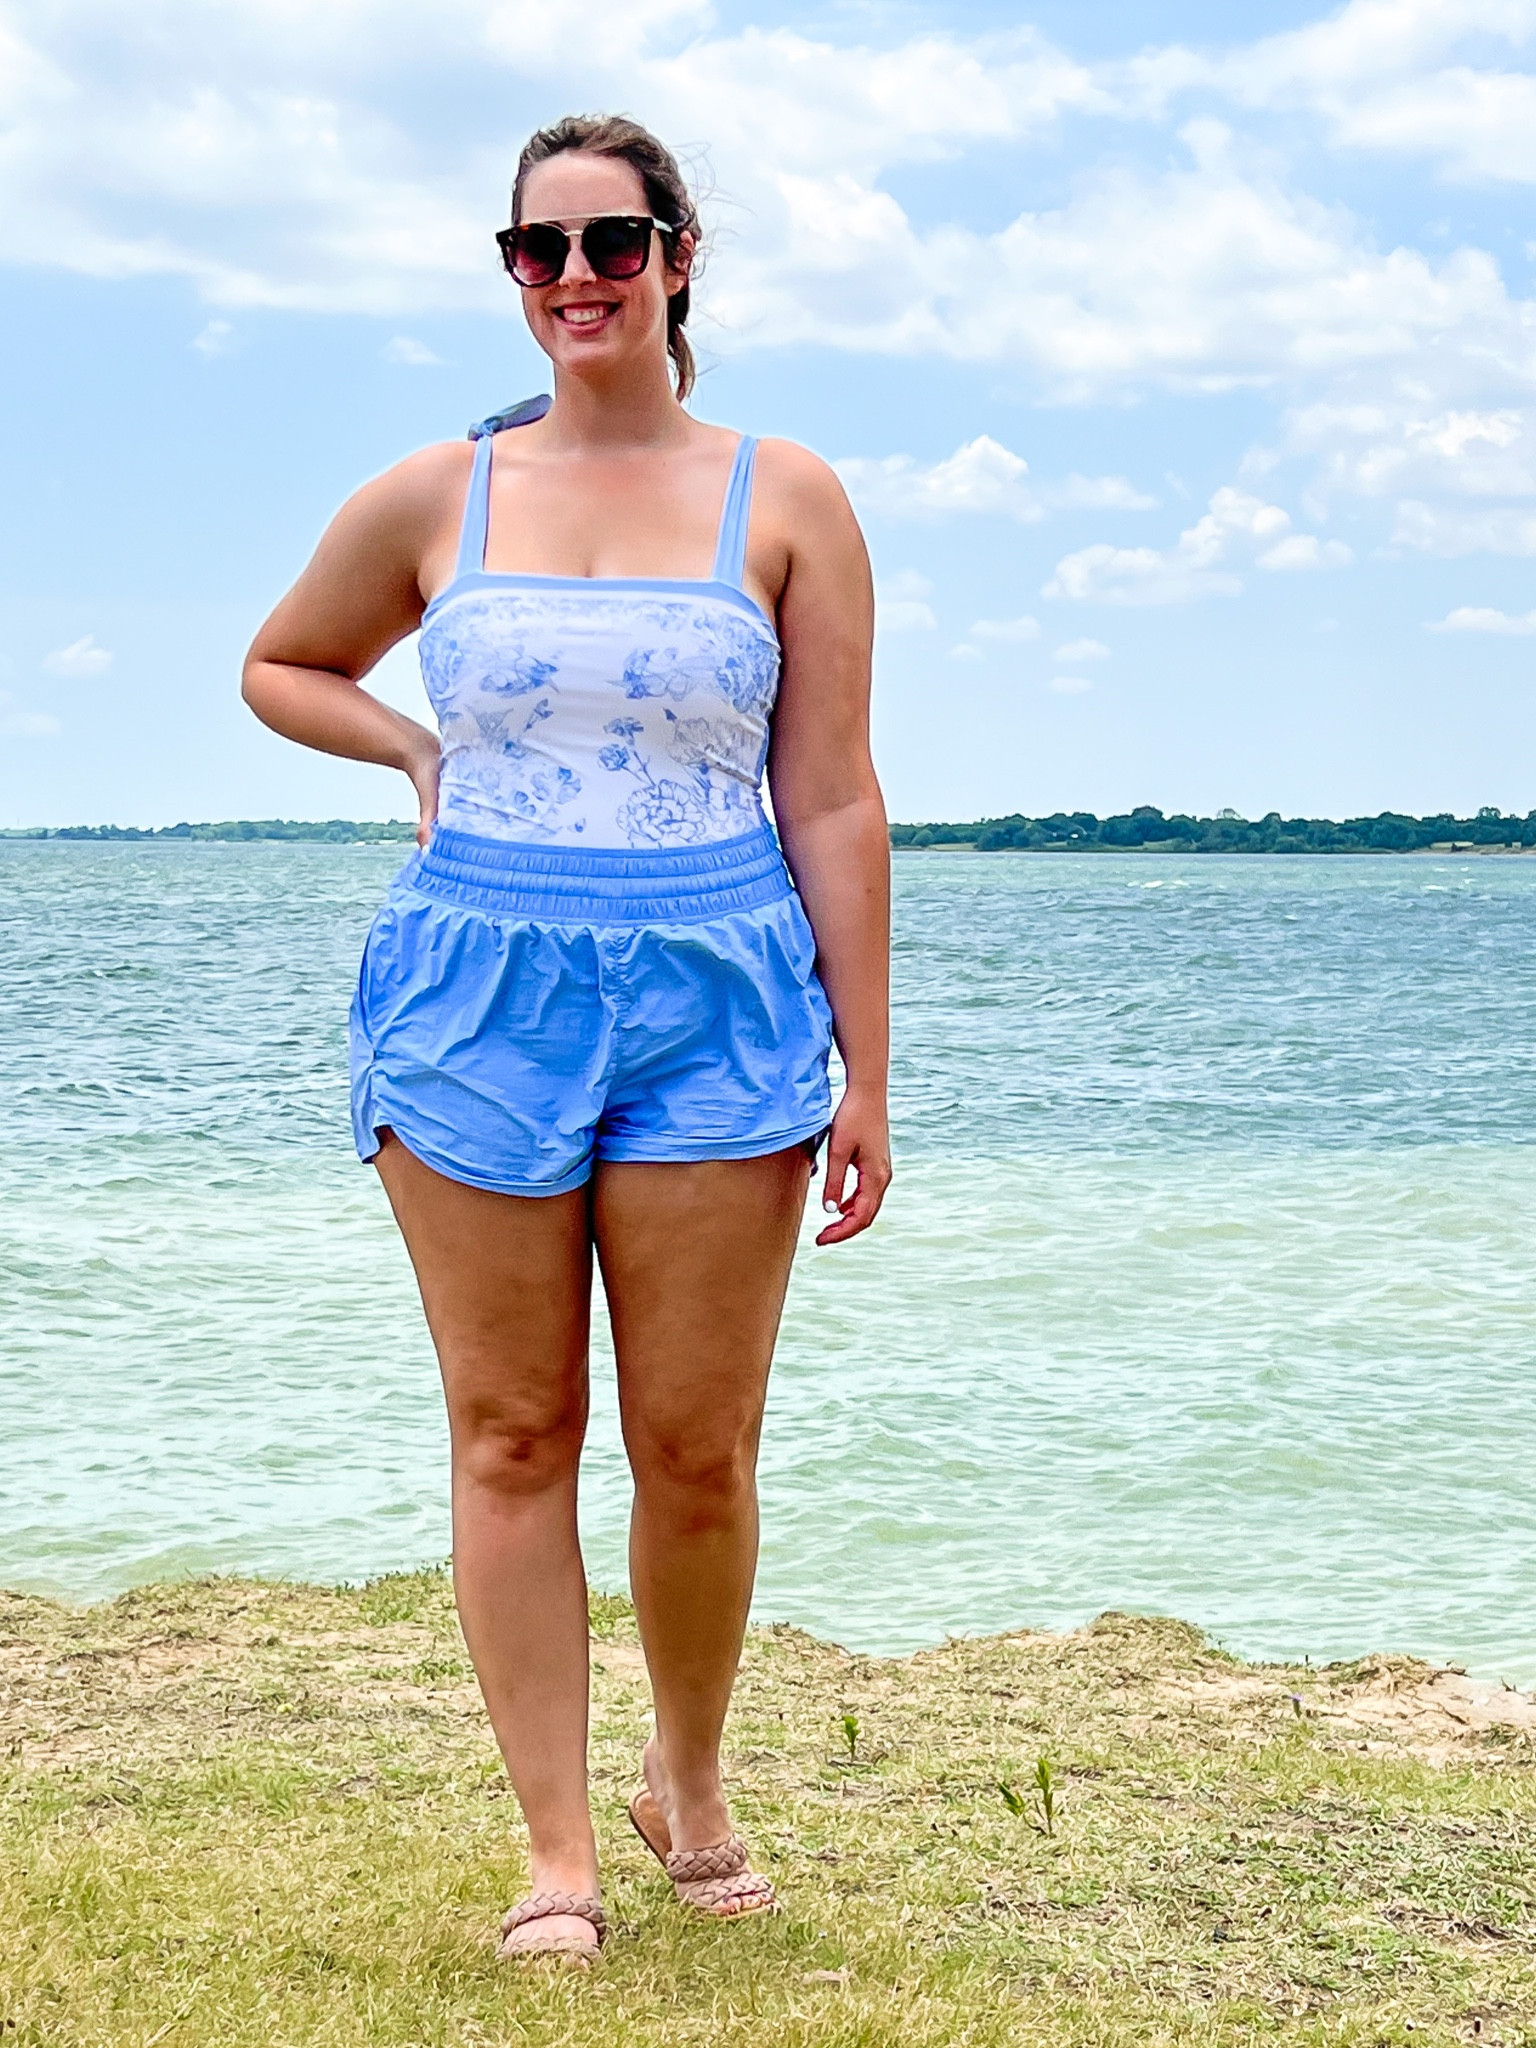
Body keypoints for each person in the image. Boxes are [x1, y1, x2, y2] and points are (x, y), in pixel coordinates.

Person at [242, 112, 891, 1964]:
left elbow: (833, 795)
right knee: (514, 1431)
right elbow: (283, 663)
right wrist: (414, 750)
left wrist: (867, 1068)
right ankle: (557, 1854)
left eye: (614, 242)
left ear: (678, 255)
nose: (577, 278)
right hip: (475, 994)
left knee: (697, 1446)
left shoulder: (787, 496)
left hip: (723, 988)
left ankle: (690, 1779)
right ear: (512, 273)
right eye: (540, 249)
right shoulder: (430, 496)